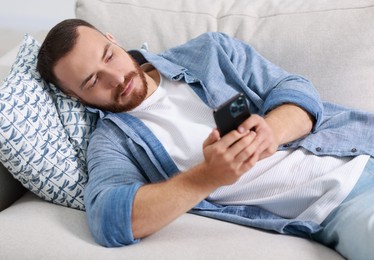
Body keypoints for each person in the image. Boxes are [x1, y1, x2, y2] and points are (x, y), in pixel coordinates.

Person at [37, 19, 374, 259]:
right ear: (75, 97)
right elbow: (109, 219)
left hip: (358, 145)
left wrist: (271, 130)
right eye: (93, 80)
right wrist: (208, 176)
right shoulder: (112, 142)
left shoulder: (210, 52)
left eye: (109, 55)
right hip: (341, 204)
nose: (116, 78)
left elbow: (294, 89)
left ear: (113, 38)